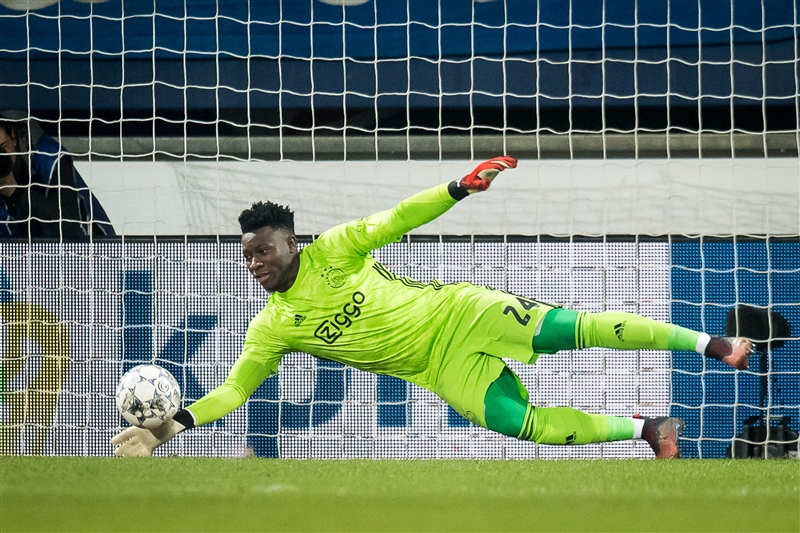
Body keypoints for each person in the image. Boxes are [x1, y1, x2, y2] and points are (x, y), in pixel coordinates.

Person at [111, 156, 753, 459]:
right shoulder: (272, 327)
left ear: (291, 244)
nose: (257, 264)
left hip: (459, 313)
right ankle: (646, 429)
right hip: (436, 370)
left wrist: (457, 188)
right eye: (248, 257)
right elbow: (230, 391)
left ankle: (710, 344)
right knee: (518, 425)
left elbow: (398, 217)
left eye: (265, 252)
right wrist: (165, 429)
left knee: (574, 331)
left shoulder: (335, 250)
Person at [0, 111, 115, 239]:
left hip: (94, 248)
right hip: (32, 253)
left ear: (13, 136)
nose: (2, 158)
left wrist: (13, 191)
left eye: (2, 148)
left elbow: (69, 227)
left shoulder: (50, 157)